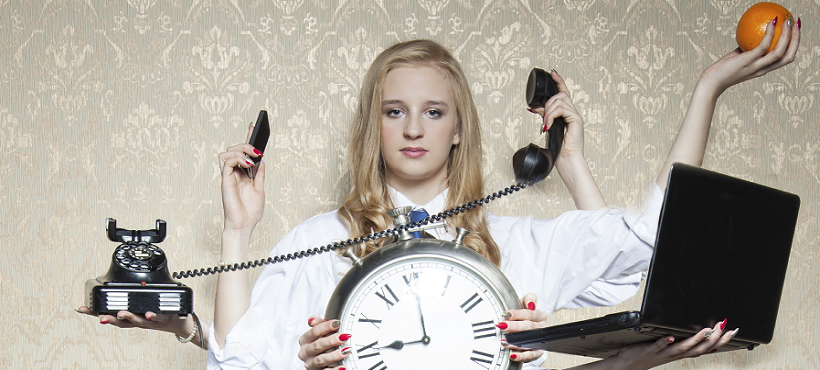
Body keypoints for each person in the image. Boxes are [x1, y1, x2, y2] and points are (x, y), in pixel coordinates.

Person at [78, 16, 800, 370]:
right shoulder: (321, 236)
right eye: (395, 111)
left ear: (460, 128)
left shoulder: (515, 244)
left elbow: (652, 248)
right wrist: (238, 230)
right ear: (375, 124)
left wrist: (708, 88)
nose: (414, 129)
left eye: (434, 111)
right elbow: (240, 358)